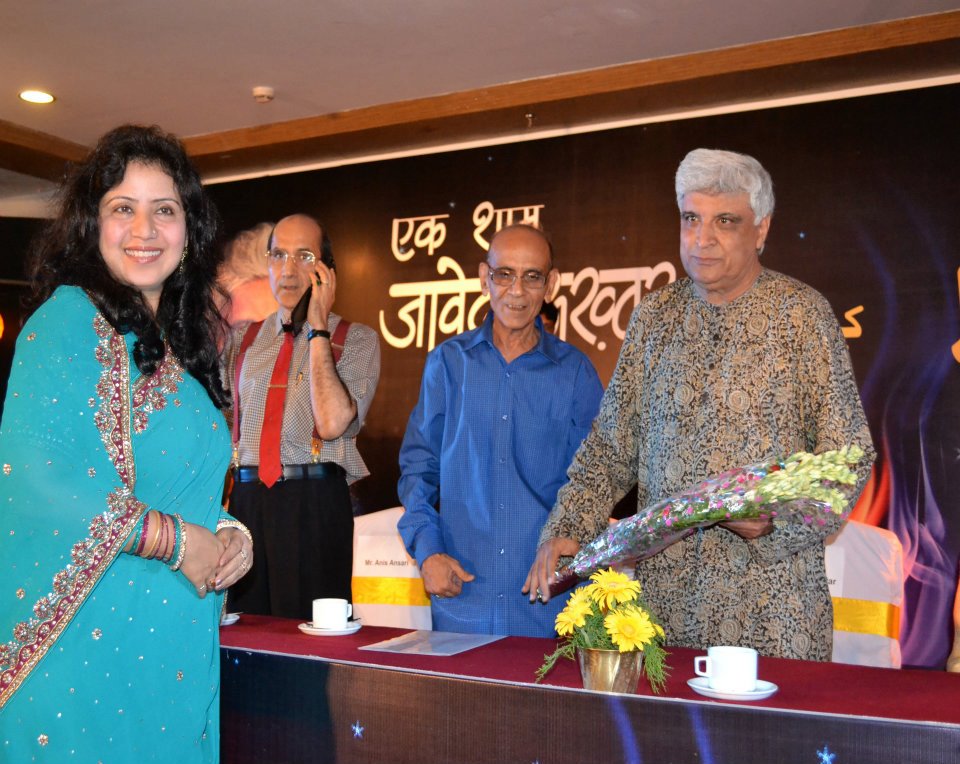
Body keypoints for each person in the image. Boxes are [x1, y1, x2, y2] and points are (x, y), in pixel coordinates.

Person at [525, 149, 876, 661]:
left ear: (761, 230)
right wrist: (567, 528)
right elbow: (610, 448)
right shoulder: (655, 318)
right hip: (664, 611)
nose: (702, 238)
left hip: (772, 608)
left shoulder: (802, 316)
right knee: (667, 742)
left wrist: (777, 520)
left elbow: (848, 456)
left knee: (767, 743)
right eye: (691, 218)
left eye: (725, 221)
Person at [0, 124, 252, 760]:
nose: (145, 230)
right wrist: (175, 542)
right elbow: (41, 480)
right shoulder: (65, 321)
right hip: (86, 647)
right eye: (123, 208)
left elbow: (171, 481)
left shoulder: (175, 347)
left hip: (169, 640)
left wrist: (230, 537)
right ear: (93, 224)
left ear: (189, 230)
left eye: (163, 210)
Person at [398, 224, 603, 637]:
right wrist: (428, 551)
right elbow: (418, 470)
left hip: (549, 608)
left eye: (532, 276)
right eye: (504, 274)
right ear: (483, 278)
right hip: (461, 599)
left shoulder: (576, 373)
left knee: (547, 706)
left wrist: (572, 539)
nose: (516, 290)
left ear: (551, 284)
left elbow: (596, 478)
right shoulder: (447, 364)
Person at [224, 214, 380, 619]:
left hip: (314, 504)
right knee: (247, 638)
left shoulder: (357, 339)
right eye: (279, 255)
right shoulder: (243, 339)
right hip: (247, 502)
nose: (289, 270)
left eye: (304, 255)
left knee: (315, 638)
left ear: (325, 270)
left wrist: (317, 330)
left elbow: (331, 424)